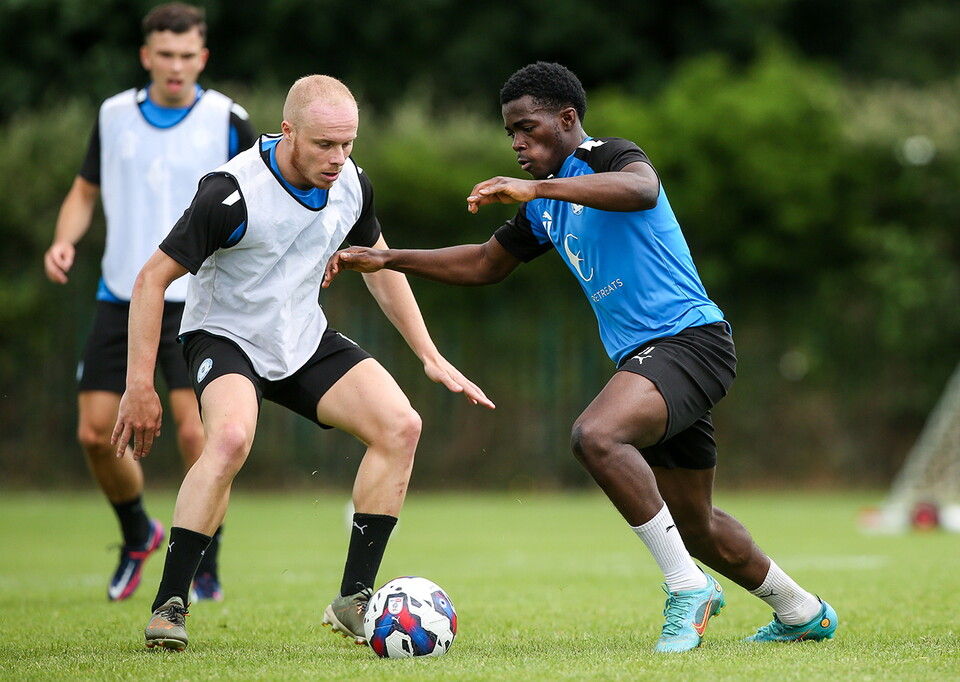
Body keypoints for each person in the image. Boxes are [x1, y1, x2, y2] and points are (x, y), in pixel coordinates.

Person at [323, 61, 839, 653]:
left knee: (595, 436)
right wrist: (391, 259)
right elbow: (486, 264)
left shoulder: (607, 157)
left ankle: (686, 589)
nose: (517, 142)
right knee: (693, 524)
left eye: (528, 127)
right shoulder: (545, 207)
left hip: (690, 343)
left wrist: (537, 187)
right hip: (651, 359)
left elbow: (642, 189)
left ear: (568, 120)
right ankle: (801, 610)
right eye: (510, 132)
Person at [112, 74, 493, 651]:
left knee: (401, 426)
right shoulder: (230, 192)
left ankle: (354, 600)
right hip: (225, 335)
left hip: (301, 337)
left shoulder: (352, 185)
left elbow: (379, 264)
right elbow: (150, 280)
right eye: (324, 145)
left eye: (348, 144)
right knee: (231, 438)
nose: (339, 158)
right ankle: (171, 602)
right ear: (287, 131)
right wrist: (139, 383)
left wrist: (429, 354)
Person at [43, 3, 256, 603]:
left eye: (188, 56)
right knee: (93, 434)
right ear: (146, 56)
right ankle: (138, 531)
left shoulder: (227, 119)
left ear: (203, 58)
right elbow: (84, 192)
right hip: (122, 298)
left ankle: (203, 556)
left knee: (199, 437)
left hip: (199, 301)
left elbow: (262, 198)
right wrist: (64, 239)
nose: (176, 66)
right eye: (165, 54)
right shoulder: (112, 116)